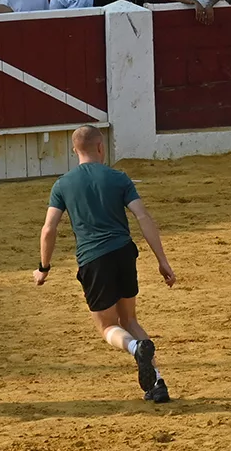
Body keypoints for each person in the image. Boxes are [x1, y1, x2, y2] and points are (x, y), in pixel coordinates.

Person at [36, 125, 175, 403]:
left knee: (108, 327)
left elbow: (49, 229)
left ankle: (136, 348)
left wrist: (44, 267)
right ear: (101, 147)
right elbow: (142, 217)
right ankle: (157, 383)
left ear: (74, 150)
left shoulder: (63, 184)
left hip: (93, 259)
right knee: (130, 319)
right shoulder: (119, 178)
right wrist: (162, 261)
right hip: (124, 252)